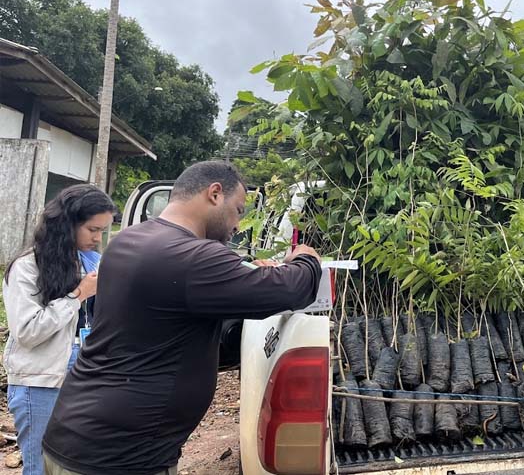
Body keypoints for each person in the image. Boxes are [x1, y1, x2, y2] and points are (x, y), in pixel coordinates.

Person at [41, 161, 322, 475]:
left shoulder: (128, 241)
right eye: (238, 210)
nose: (238, 226)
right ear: (215, 194)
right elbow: (289, 290)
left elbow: (174, 325)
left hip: (75, 436)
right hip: (119, 458)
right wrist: (305, 259)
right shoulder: (192, 257)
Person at [3, 184, 115, 475]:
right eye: (92, 229)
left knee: (77, 465)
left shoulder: (87, 263)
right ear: (68, 224)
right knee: (40, 466)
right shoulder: (28, 267)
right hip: (39, 382)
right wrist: (78, 296)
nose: (97, 238)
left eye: (102, 231)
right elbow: (27, 330)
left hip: (82, 376)